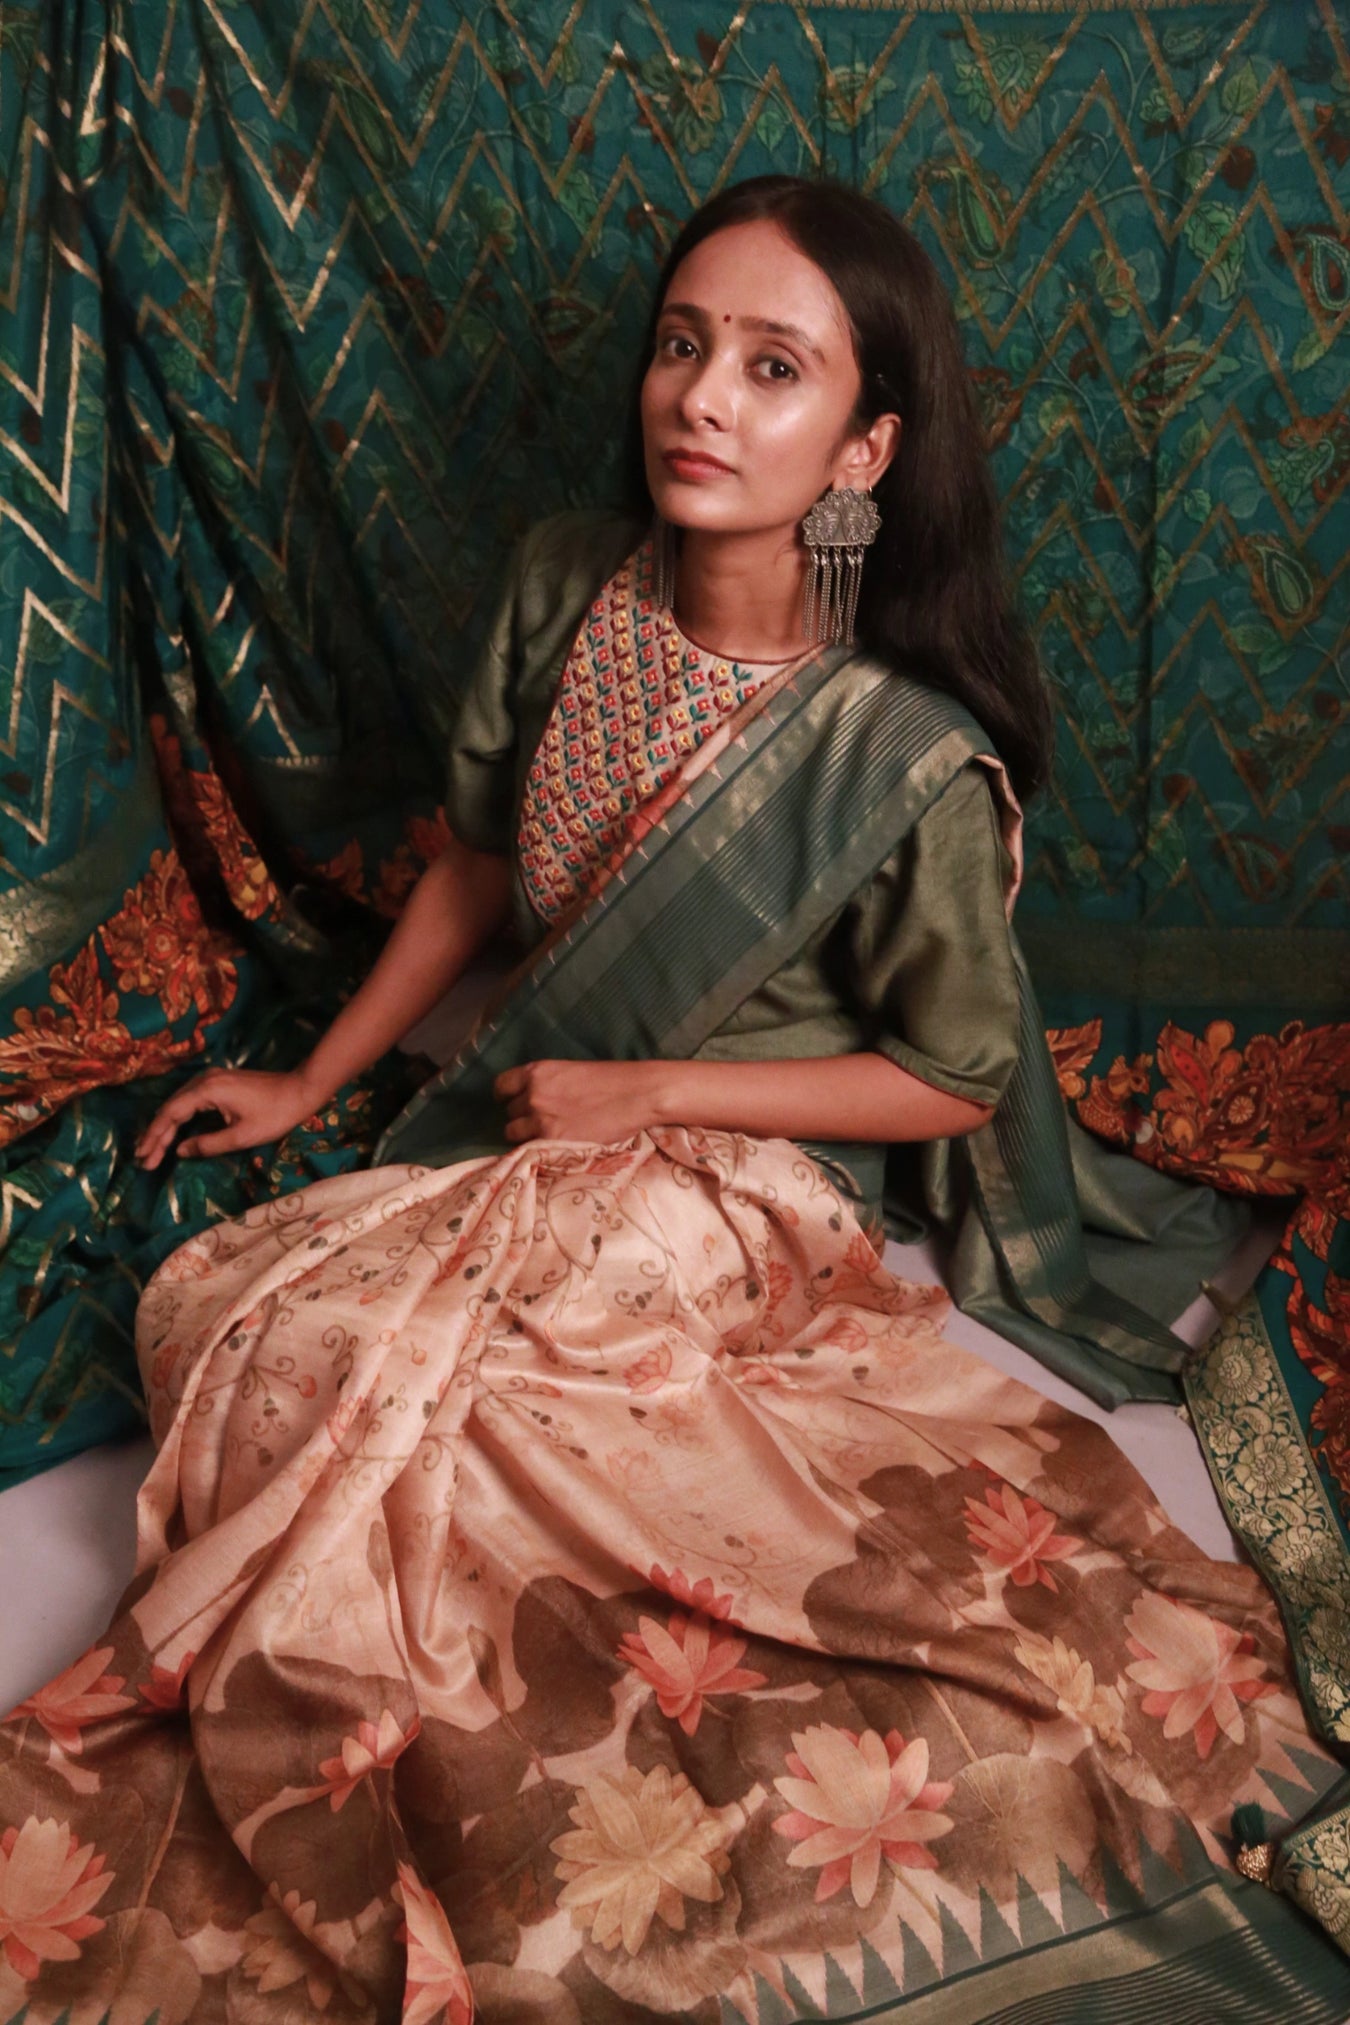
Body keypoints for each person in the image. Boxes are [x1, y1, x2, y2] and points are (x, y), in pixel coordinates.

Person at [1, 178, 1343, 2023]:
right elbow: (481, 866)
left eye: (774, 367)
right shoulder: (568, 580)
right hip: (554, 1112)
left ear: (864, 449)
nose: (701, 396)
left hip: (744, 1166)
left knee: (429, 1402)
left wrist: (648, 1090)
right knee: (240, 1315)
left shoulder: (897, 749)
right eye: (682, 344)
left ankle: (476, 1794)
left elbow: (952, 1077)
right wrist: (315, 1069)